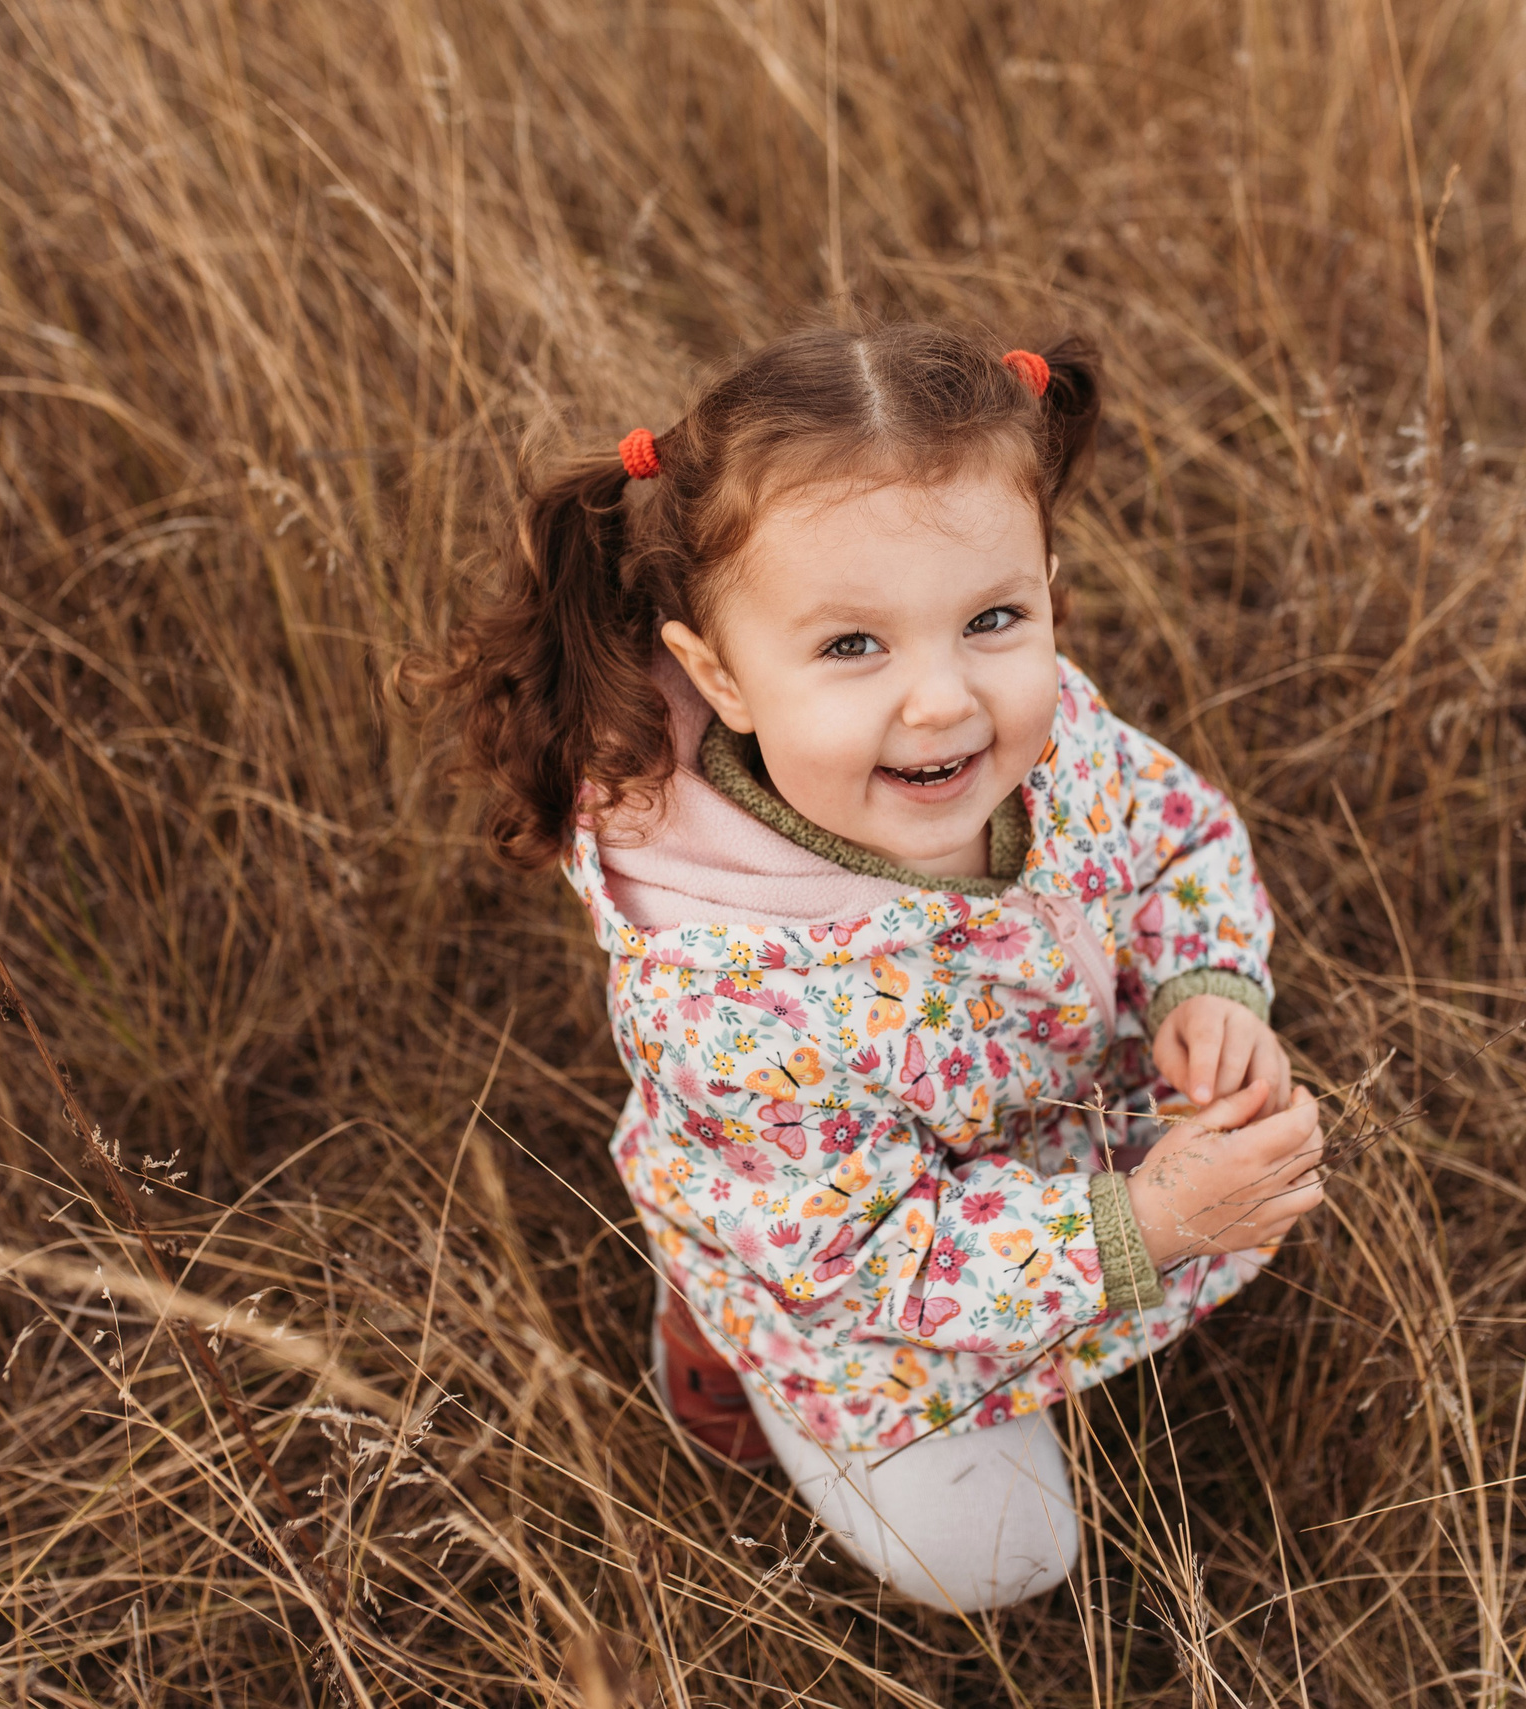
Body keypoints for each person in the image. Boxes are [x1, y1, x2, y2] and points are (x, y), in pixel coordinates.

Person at [437, 321, 1326, 1613]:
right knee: (1003, 1550)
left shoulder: (1046, 723)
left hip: (1034, 1141)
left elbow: (1171, 834)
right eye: (853, 645)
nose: (942, 700)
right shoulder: (730, 988)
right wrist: (1145, 1226)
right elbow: (868, 1260)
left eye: (992, 618)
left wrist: (1204, 986)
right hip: (846, 1272)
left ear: (1048, 588)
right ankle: (718, 1327)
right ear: (719, 674)